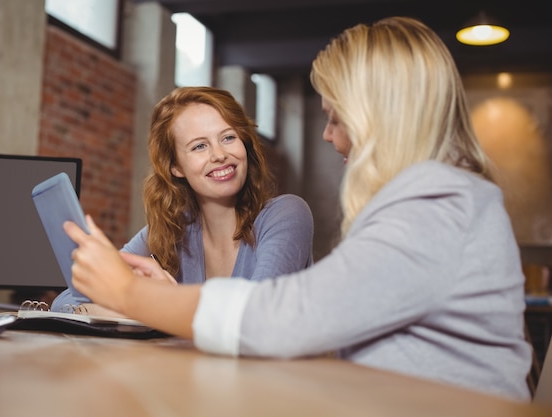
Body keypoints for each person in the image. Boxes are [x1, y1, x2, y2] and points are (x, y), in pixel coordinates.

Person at [63, 17, 532, 400]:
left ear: (379, 114)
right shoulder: (433, 200)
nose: (329, 135)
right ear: (176, 167)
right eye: (199, 146)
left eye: (335, 117)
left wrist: (131, 295)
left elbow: (284, 320)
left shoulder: (436, 207)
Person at [51, 86, 314, 312]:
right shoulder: (170, 230)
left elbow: (256, 317)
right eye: (199, 146)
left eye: (229, 137)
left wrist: (156, 301)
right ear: (175, 166)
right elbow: (65, 300)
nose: (219, 154)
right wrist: (134, 302)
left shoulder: (286, 215)